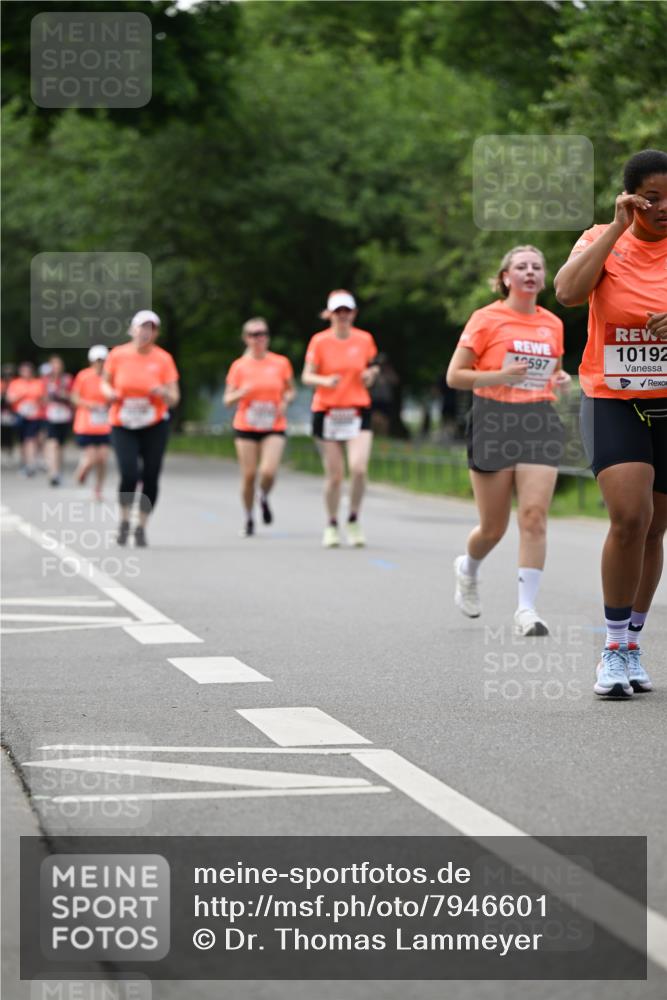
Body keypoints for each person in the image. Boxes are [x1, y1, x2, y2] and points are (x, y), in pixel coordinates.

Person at [555, 148, 667, 698]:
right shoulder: (601, 237)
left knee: (654, 528)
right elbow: (568, 293)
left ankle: (633, 645)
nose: (663, 207)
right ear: (630, 197)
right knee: (629, 517)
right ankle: (613, 647)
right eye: (652, 197)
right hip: (612, 398)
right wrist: (617, 229)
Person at [446, 246, 571, 636]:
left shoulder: (552, 323)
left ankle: (526, 610)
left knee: (533, 516)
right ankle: (468, 567)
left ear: (544, 277)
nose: (530, 272)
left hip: (538, 418)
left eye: (536, 267)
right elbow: (455, 375)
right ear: (505, 277)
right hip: (493, 417)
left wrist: (561, 380)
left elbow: (552, 372)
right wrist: (498, 376)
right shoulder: (486, 319)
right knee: (493, 527)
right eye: (521, 267)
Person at [302, 290, 380, 547]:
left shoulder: (364, 339)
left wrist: (370, 375)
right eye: (338, 311)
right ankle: (332, 523)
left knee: (358, 468)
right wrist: (325, 381)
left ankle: (354, 518)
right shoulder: (319, 341)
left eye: (347, 311)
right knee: (335, 475)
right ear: (330, 315)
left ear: (354, 313)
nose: (343, 315)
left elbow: (373, 366)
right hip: (327, 412)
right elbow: (306, 376)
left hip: (357, 410)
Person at [102, 310, 180, 547]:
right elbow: (104, 383)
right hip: (123, 422)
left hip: (154, 423)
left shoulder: (163, 359)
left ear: (156, 333)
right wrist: (110, 393)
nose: (146, 332)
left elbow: (174, 397)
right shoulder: (118, 355)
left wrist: (163, 392)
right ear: (133, 329)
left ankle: (141, 526)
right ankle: (125, 520)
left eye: (152, 328)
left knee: (150, 475)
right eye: (142, 327)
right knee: (129, 473)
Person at [223, 317, 295, 536]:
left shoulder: (280, 363)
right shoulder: (239, 366)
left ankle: (262, 495)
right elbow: (227, 400)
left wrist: (286, 400)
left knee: (268, 471)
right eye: (254, 335)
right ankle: (248, 517)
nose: (259, 338)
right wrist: (240, 393)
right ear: (246, 338)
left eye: (263, 333)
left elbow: (291, 390)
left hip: (274, 424)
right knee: (249, 475)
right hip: (246, 425)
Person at [71, 345, 111, 501]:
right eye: (97, 360)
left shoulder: (110, 377)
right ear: (91, 361)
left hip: (104, 424)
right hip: (86, 423)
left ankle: (98, 489)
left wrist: (108, 404)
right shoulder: (83, 376)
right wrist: (89, 405)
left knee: (103, 458)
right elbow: (74, 397)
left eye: (103, 360)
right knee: (92, 458)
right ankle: (83, 469)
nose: (100, 363)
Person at [6, 362, 44, 476]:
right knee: (23, 441)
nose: (26, 373)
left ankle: (31, 464)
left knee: (31, 439)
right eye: (24, 371)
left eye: (28, 371)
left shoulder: (38, 383)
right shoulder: (15, 383)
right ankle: (24, 462)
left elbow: (43, 399)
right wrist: (21, 395)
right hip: (20, 415)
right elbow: (9, 399)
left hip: (34, 416)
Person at [42, 354, 73, 486]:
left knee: (60, 445)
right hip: (51, 416)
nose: (56, 367)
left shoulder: (67, 379)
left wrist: (63, 395)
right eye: (53, 364)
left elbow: (74, 396)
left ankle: (58, 471)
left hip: (64, 416)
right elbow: (42, 398)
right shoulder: (46, 380)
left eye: (58, 364)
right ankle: (53, 472)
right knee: (52, 443)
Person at [1, 364, 18, 462]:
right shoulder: (1, 383)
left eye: (10, 374)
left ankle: (9, 451)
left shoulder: (16, 383)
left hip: (13, 411)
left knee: (11, 433)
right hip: (2, 411)